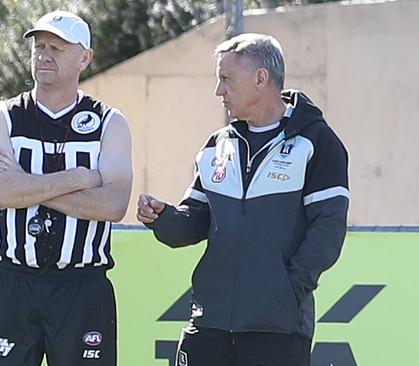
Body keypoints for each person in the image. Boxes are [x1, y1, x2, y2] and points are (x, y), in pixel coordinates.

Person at [137, 33, 349, 366]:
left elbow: (329, 229)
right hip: (209, 322)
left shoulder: (318, 142)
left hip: (277, 328)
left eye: (226, 79)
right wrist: (163, 217)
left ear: (260, 78)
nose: (218, 90)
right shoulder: (217, 145)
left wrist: (287, 289)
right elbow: (194, 221)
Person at [0, 10, 132, 366]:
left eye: (57, 48)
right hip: (12, 284)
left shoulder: (110, 123)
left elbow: (113, 205)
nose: (44, 55)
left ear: (85, 58)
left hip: (83, 287)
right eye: (39, 46)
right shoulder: (1, 116)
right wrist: (77, 178)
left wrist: (24, 184)